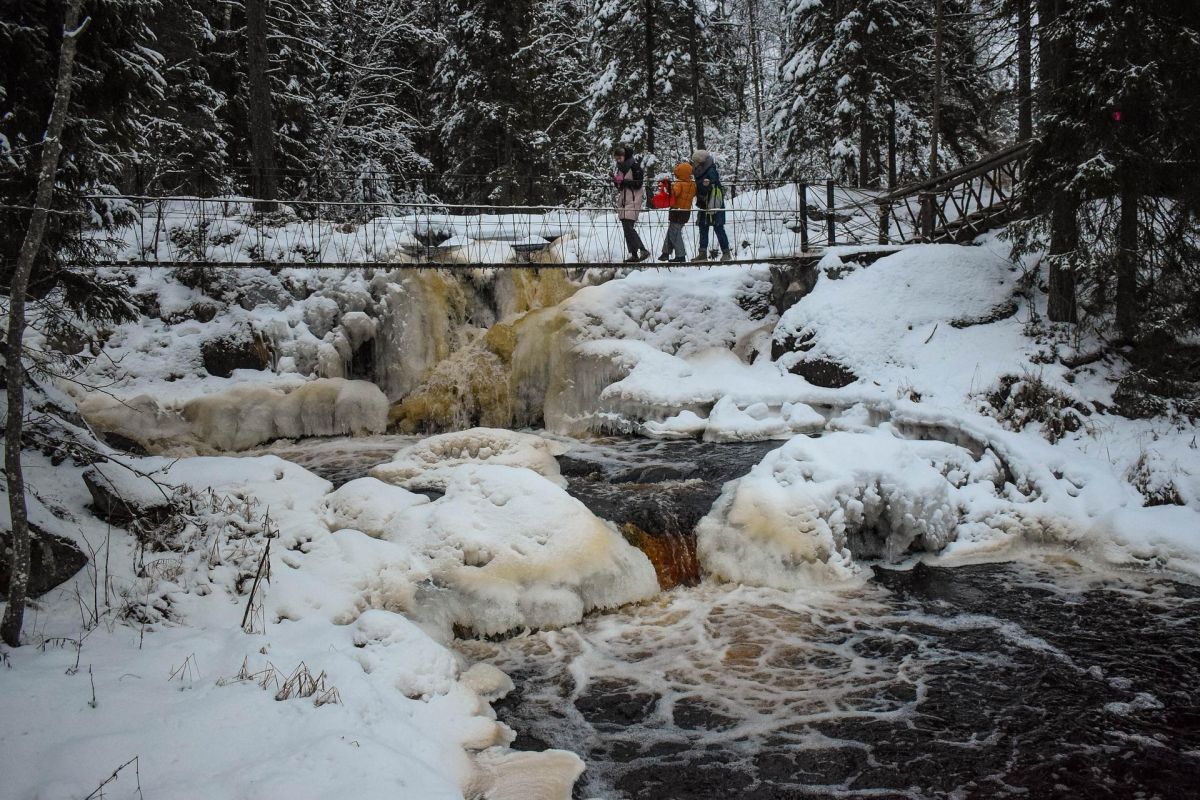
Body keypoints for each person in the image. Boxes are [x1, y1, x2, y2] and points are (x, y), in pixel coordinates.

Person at [690, 149, 732, 262]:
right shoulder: (700, 170)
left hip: (713, 203)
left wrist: (706, 185)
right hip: (704, 203)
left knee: (718, 227)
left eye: (695, 161)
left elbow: (712, 183)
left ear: (700, 161)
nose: (694, 163)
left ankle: (726, 253)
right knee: (703, 227)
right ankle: (702, 254)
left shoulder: (710, 170)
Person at [612, 144, 650, 262]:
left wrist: (624, 182)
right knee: (626, 227)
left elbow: (638, 184)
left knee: (628, 226)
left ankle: (642, 250)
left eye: (620, 158)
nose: (618, 161)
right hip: (624, 200)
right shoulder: (620, 169)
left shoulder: (635, 167)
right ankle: (634, 254)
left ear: (625, 156)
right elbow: (620, 186)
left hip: (634, 199)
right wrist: (616, 182)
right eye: (616, 159)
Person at [658, 161, 696, 262]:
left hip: (677, 211)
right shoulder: (692, 184)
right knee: (672, 231)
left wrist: (668, 186)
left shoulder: (679, 184)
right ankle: (665, 253)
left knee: (674, 232)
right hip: (686, 211)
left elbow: (674, 194)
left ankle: (680, 255)